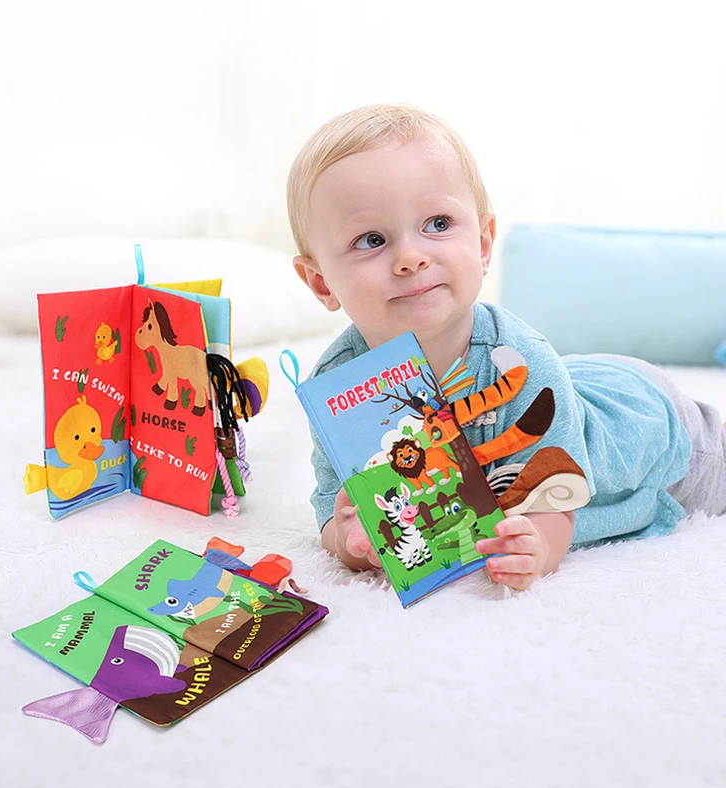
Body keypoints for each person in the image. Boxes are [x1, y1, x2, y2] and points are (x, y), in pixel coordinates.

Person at [286, 103, 726, 590]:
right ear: (321, 282)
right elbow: (333, 511)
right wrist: (349, 539)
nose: (411, 257)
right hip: (568, 383)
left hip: (647, 428)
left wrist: (537, 548)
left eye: (437, 224)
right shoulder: (338, 387)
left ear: (482, 244)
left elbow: (555, 497)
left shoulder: (520, 359)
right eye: (371, 239)